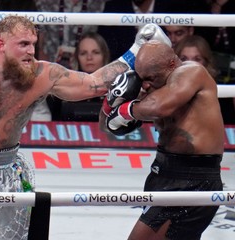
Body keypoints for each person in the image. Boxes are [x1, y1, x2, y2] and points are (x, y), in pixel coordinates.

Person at [0, 16, 171, 239]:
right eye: (24, 44)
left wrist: (135, 51)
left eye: (33, 44)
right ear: (2, 45)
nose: (31, 51)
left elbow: (93, 83)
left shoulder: (42, 75)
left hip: (2, 168)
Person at [102, 40, 224, 239]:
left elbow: (161, 107)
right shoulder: (152, 88)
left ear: (170, 65)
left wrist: (125, 109)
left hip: (194, 179)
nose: (146, 84)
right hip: (161, 171)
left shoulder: (192, 72)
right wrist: (110, 105)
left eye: (150, 77)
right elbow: (107, 128)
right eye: (142, 78)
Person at [174, 35, 235, 125]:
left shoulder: (222, 93)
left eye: (197, 59)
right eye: (184, 59)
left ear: (206, 62)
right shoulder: (167, 89)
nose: (190, 64)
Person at [60, 31, 110, 121]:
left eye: (95, 52)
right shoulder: (66, 88)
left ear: (104, 55)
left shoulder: (117, 88)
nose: (89, 57)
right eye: (83, 53)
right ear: (76, 57)